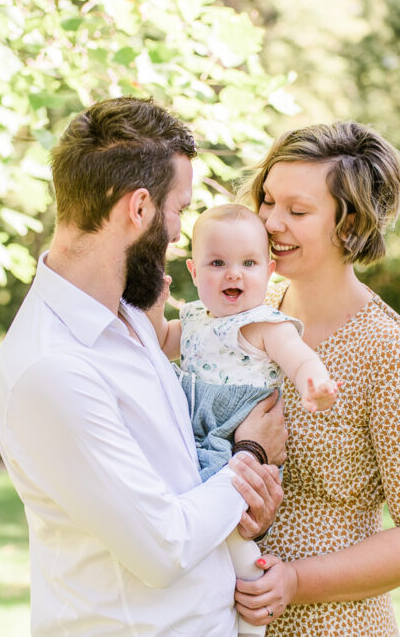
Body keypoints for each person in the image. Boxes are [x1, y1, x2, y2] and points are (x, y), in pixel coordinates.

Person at [0, 96, 287, 636]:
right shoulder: (53, 368)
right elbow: (162, 547)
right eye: (179, 211)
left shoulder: (130, 317)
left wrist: (242, 505)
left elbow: (179, 484)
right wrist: (251, 458)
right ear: (140, 209)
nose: (177, 235)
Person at [232, 122, 400, 636]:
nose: (270, 222)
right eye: (267, 200)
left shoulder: (393, 355)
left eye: (297, 211)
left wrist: (295, 581)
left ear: (350, 223)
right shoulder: (247, 312)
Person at [150, 203, 340, 637]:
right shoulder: (194, 317)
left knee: (231, 532)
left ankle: (252, 613)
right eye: (217, 263)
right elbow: (159, 342)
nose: (233, 274)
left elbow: (298, 357)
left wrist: (314, 383)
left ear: (269, 272)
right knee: (186, 517)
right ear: (194, 272)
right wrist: (155, 304)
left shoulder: (264, 324)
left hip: (235, 429)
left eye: (249, 264)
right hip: (195, 427)